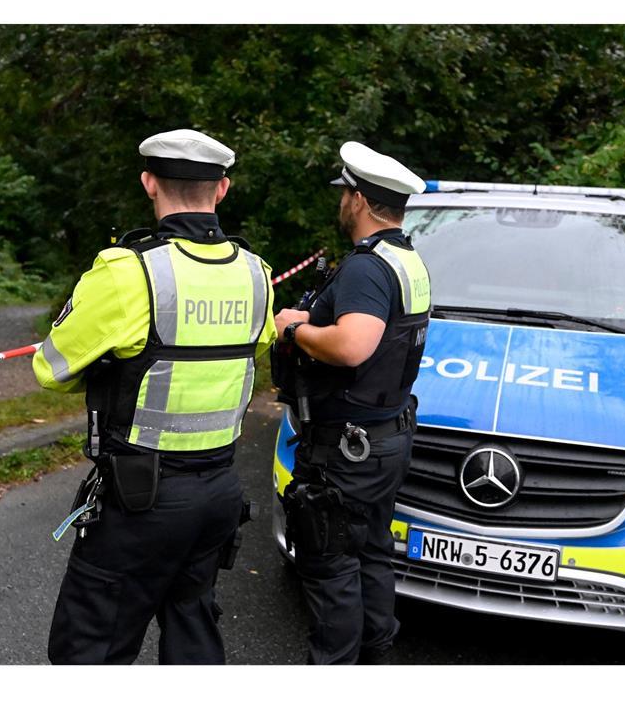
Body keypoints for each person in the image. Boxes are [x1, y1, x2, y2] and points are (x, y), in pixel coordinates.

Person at [34, 129, 278, 664]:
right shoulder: (257, 274)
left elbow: (50, 368)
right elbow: (255, 346)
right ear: (223, 189)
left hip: (140, 500)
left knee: (89, 651)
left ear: (149, 183)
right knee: (193, 634)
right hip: (219, 492)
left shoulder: (128, 271)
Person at [273, 141, 431, 664]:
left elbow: (353, 344)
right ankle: (375, 662)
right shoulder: (407, 259)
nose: (340, 202)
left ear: (359, 200)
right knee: (371, 552)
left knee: (331, 564)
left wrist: (296, 330)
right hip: (383, 437)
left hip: (348, 450)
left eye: (345, 193)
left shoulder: (367, 267)